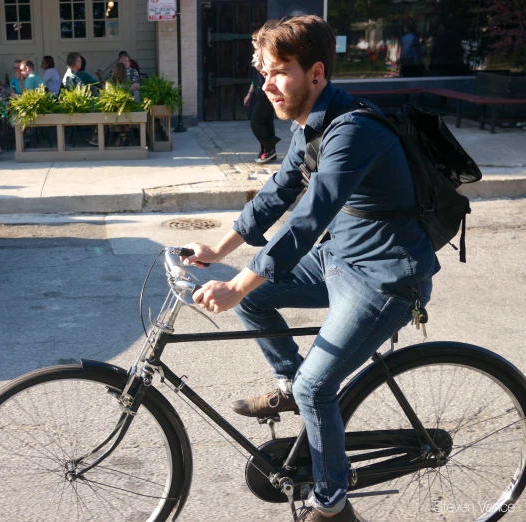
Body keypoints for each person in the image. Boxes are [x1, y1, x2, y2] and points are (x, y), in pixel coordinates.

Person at [182, 15, 437, 522]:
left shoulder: (353, 130)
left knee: (315, 386)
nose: (267, 85)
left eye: (279, 72)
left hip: (384, 277)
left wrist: (235, 282)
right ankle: (288, 387)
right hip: (340, 257)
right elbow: (277, 194)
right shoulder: (311, 122)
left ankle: (332, 503)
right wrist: (218, 248)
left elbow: (306, 218)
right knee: (260, 303)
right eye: (263, 73)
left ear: (315, 73)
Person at [244, 54, 281, 164]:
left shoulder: (266, 54)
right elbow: (255, 78)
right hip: (259, 94)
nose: (252, 42)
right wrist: (249, 94)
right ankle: (268, 151)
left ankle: (269, 147)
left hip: (267, 94)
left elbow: (270, 74)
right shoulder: (258, 53)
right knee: (266, 122)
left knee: (256, 122)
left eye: (254, 40)